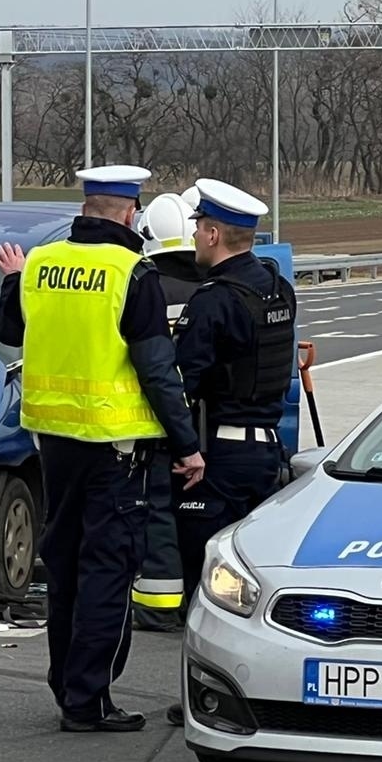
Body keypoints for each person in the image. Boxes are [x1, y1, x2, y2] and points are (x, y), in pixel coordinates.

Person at [0, 166, 205, 733]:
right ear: (130, 213)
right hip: (116, 449)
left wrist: (12, 281)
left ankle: (66, 686)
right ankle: (89, 700)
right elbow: (158, 368)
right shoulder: (133, 271)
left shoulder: (39, 263)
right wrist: (186, 444)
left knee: (63, 567)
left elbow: (9, 330)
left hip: (53, 443)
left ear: (85, 208)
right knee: (107, 573)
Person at [165, 178, 297, 725]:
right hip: (266, 453)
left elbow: (183, 380)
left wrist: (181, 445)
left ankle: (208, 696)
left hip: (216, 458)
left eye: (198, 227)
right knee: (255, 580)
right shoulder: (275, 285)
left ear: (214, 233)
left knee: (210, 584)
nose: (195, 235)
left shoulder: (214, 300)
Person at [128, 191, 208, 632]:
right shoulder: (211, 286)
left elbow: (153, 370)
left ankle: (157, 605)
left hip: (152, 426)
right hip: (210, 425)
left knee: (157, 519)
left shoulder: (144, 287)